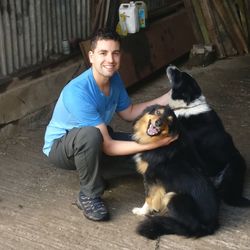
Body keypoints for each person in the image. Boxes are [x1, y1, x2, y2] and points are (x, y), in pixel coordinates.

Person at [43, 28, 176, 222]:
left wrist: (168, 98)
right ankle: (89, 194)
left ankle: (99, 169)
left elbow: (129, 112)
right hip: (62, 147)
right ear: (91, 56)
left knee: (151, 156)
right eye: (103, 53)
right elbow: (109, 146)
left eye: (115, 53)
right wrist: (156, 144)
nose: (110, 60)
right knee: (92, 136)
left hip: (98, 141)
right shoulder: (78, 91)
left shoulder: (114, 79)